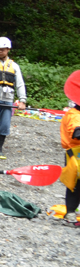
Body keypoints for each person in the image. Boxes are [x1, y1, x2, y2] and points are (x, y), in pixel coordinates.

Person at [60, 73, 80, 227]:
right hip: (75, 155)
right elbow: (77, 133)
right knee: (74, 184)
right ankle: (71, 212)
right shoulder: (74, 115)